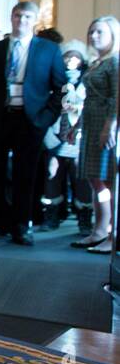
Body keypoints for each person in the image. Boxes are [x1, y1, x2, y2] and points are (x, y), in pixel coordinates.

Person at [0, 2, 67, 245]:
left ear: (34, 19)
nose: (21, 20)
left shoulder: (49, 49)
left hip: (31, 120)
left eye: (27, 16)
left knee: (26, 175)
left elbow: (60, 89)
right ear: (11, 17)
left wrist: (45, 119)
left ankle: (21, 226)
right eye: (17, 15)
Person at [72, 17, 120, 253]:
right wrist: (76, 125)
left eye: (100, 32)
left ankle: (113, 236)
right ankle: (99, 230)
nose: (94, 36)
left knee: (110, 182)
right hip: (91, 123)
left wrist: (109, 126)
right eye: (91, 32)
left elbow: (116, 97)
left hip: (106, 125)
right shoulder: (97, 63)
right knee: (96, 180)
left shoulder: (116, 61)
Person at [44, 43, 87, 232]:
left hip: (79, 137)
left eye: (76, 57)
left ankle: (84, 215)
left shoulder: (87, 80)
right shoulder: (55, 79)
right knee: (53, 174)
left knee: (80, 177)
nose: (71, 60)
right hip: (56, 134)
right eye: (68, 57)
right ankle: (52, 213)